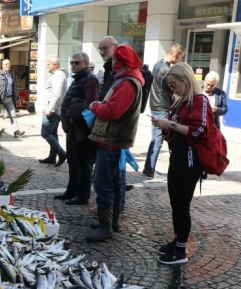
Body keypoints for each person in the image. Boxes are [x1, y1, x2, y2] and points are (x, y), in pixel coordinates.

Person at [150, 62, 214, 265]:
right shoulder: (179, 102)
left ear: (185, 80)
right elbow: (174, 132)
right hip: (177, 157)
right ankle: (177, 242)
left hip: (190, 160)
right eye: (170, 85)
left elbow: (199, 131)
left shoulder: (199, 100)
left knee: (181, 204)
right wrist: (164, 127)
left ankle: (180, 251)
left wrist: (170, 124)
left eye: (173, 84)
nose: (172, 88)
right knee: (175, 202)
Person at [86, 45, 144, 242]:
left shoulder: (127, 82)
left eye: (113, 59)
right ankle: (111, 222)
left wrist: (94, 106)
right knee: (114, 181)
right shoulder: (126, 79)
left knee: (103, 182)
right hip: (112, 140)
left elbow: (113, 111)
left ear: (120, 62)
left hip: (112, 140)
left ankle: (106, 226)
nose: (110, 61)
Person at [54, 52, 99, 205]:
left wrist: (74, 112)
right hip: (72, 127)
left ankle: (82, 195)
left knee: (82, 162)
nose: (73, 65)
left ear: (85, 64)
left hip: (81, 128)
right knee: (72, 161)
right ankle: (71, 191)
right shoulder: (78, 78)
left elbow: (91, 103)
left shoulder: (90, 79)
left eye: (77, 63)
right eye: (72, 62)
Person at [143, 43, 186, 178]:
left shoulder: (157, 64)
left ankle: (148, 168)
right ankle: (150, 170)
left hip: (156, 104)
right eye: (180, 58)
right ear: (175, 55)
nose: (179, 61)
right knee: (158, 139)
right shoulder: (166, 70)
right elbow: (174, 90)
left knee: (156, 138)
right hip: (162, 106)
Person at [39, 55, 68, 166]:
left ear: (55, 65)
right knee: (52, 133)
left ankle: (61, 153)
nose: (47, 66)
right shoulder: (57, 75)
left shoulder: (58, 76)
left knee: (45, 132)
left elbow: (57, 94)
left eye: (48, 64)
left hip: (53, 111)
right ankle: (52, 156)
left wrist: (50, 109)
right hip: (55, 110)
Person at [0, 59, 25, 138]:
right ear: (2, 66)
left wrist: (17, 98)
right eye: (6, 64)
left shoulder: (12, 75)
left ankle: (16, 131)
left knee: (13, 115)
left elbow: (15, 88)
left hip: (9, 99)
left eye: (9, 64)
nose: (8, 65)